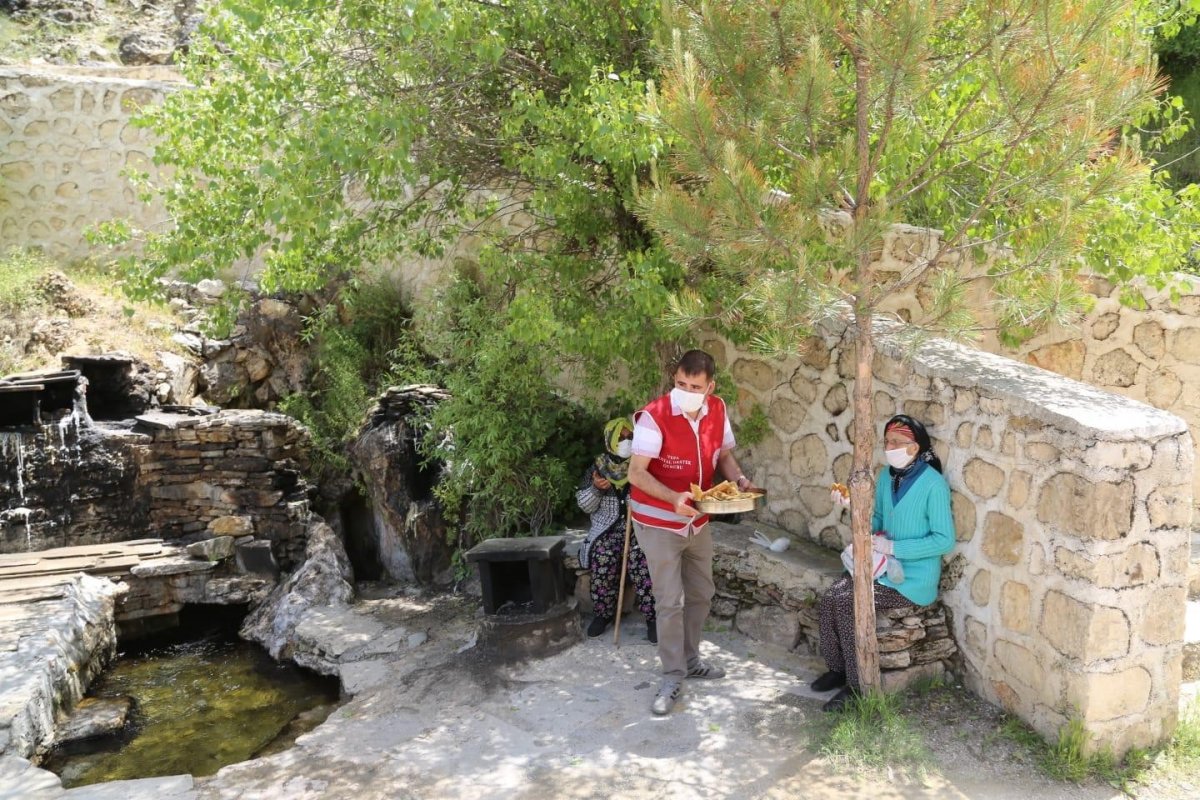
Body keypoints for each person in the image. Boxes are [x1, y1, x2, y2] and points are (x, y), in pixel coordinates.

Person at [628, 349, 753, 716]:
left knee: (701, 593)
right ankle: (672, 676)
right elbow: (636, 473)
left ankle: (691, 660)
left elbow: (724, 456)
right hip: (658, 521)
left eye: (695, 387)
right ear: (675, 379)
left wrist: (739, 479)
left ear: (710, 387)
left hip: (697, 519)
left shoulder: (717, 409)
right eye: (680, 383)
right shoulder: (654, 417)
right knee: (670, 601)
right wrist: (673, 498)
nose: (686, 391)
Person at [813, 414, 955, 711]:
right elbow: (876, 521)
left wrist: (895, 547)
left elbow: (944, 540)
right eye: (887, 441)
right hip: (879, 567)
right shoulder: (886, 476)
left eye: (896, 442)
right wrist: (853, 508)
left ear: (914, 448)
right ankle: (838, 669)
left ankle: (857, 686)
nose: (889, 447)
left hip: (912, 580)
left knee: (847, 602)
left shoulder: (934, 485)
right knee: (831, 597)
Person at [575, 417, 657, 643]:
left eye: (630, 437)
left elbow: (654, 494)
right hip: (607, 530)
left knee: (642, 559)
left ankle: (653, 618)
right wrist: (596, 489)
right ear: (609, 440)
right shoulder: (597, 468)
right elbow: (585, 506)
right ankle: (603, 614)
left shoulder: (641, 465)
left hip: (638, 527)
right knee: (603, 556)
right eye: (620, 437)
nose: (626, 441)